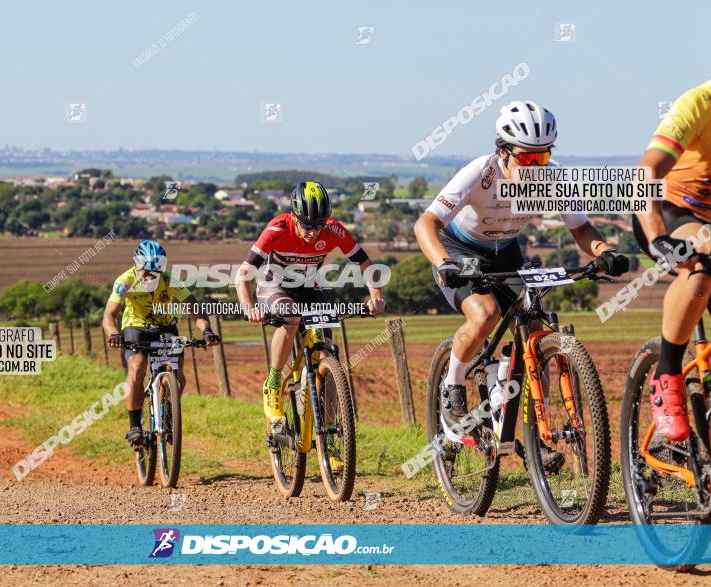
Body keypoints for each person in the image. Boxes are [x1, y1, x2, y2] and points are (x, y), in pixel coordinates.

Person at [414, 100, 629, 450]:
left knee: (533, 322)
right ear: (503, 150)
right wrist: (444, 262)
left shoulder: (553, 177)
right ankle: (452, 388)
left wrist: (604, 252)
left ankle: (522, 420)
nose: (535, 166)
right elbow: (426, 223)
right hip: (460, 251)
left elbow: (581, 228)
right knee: (484, 314)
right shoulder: (480, 172)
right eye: (527, 158)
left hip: (506, 250)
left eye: (541, 157)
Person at [236, 180, 387, 428]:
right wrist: (248, 306)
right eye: (306, 224)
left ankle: (328, 435)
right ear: (294, 215)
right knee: (291, 317)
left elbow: (366, 264)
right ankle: (273, 382)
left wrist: (376, 295)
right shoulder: (277, 228)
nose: (312, 231)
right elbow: (243, 273)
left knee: (327, 352)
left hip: (309, 287)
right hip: (274, 285)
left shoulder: (334, 230)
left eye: (318, 225)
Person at [632, 80, 711, 442]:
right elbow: (645, 173)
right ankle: (667, 377)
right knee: (698, 273)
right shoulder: (698, 104)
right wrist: (657, 237)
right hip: (669, 212)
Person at [102, 240, 220, 448]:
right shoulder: (125, 280)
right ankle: (134, 426)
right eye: (146, 272)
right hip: (136, 327)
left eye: (155, 273)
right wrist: (113, 334)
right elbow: (109, 315)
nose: (150, 277)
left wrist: (207, 330)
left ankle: (168, 413)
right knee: (137, 366)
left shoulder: (170, 279)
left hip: (165, 327)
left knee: (176, 374)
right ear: (137, 267)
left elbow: (194, 308)